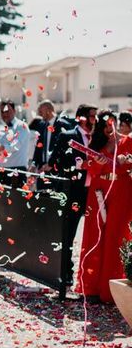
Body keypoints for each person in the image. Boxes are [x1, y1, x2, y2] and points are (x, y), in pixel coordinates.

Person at [75, 110, 132, 303]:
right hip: (99, 192)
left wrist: (126, 161)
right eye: (104, 125)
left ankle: (113, 290)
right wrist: (97, 163)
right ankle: (93, 287)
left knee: (116, 236)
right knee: (96, 235)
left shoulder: (128, 141)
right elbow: (89, 167)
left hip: (121, 192)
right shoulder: (97, 142)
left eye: (111, 123)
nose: (108, 128)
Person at [47, 104, 97, 285]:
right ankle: (65, 271)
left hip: (94, 192)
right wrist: (76, 165)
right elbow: (54, 162)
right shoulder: (68, 136)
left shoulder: (97, 138)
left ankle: (91, 276)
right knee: (68, 233)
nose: (95, 120)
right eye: (92, 116)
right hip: (74, 191)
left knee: (93, 234)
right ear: (81, 118)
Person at [0, 99, 30, 188]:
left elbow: (16, 145)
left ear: (14, 111)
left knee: (17, 201)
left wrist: (2, 148)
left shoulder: (22, 126)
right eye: (2, 111)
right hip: (1, 171)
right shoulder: (0, 129)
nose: (5, 114)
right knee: (1, 201)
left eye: (7, 111)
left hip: (17, 171)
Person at [30, 100, 71, 172]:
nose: (39, 114)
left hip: (56, 168)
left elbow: (64, 148)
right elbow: (38, 147)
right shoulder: (41, 125)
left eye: (40, 111)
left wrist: (51, 163)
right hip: (42, 168)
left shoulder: (63, 125)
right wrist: (34, 164)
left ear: (48, 110)